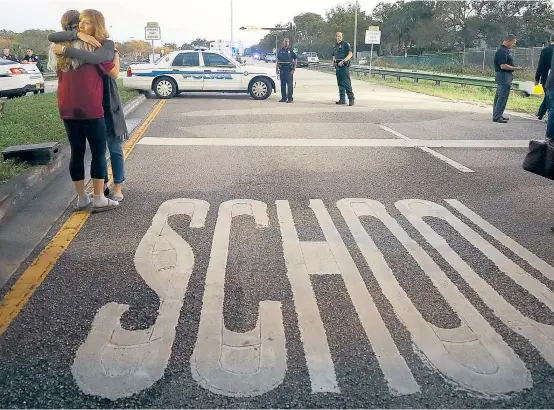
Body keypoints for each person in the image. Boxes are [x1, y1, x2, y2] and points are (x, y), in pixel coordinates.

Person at [48, 13, 127, 202]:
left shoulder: (63, 48)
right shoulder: (86, 44)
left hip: (85, 103)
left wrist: (68, 48)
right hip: (92, 105)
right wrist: (79, 38)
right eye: (80, 24)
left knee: (86, 150)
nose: (81, 27)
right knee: (99, 151)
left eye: (86, 23)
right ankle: (101, 193)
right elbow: (109, 69)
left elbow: (112, 70)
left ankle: (94, 194)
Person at [492, 34, 522, 123]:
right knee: (502, 96)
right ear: (508, 41)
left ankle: (498, 114)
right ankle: (497, 117)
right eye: (513, 43)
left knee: (499, 96)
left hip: (503, 75)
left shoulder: (505, 50)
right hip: (503, 75)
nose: (514, 45)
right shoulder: (502, 51)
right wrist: (516, 68)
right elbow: (503, 66)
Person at [534, 34, 554, 120]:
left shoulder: (545, 50)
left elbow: (541, 66)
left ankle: (542, 114)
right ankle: (542, 113)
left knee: (548, 96)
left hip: (547, 77)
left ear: (550, 40)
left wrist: (536, 78)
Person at [332, 32, 355, 106]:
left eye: (340, 36)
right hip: (337, 67)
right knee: (340, 83)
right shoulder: (335, 46)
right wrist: (334, 61)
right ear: (336, 37)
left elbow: (350, 54)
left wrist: (343, 60)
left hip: (344, 66)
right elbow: (333, 55)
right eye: (338, 36)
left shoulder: (345, 44)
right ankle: (342, 99)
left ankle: (351, 98)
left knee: (346, 83)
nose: (339, 37)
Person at [276, 38, 296, 103]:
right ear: (283, 43)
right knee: (283, 84)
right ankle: (283, 98)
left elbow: (295, 60)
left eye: (287, 42)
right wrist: (276, 69)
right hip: (282, 69)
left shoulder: (291, 50)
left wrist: (293, 69)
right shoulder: (280, 50)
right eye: (285, 42)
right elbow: (277, 60)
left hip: (289, 69)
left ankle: (290, 99)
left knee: (290, 85)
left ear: (289, 43)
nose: (286, 43)